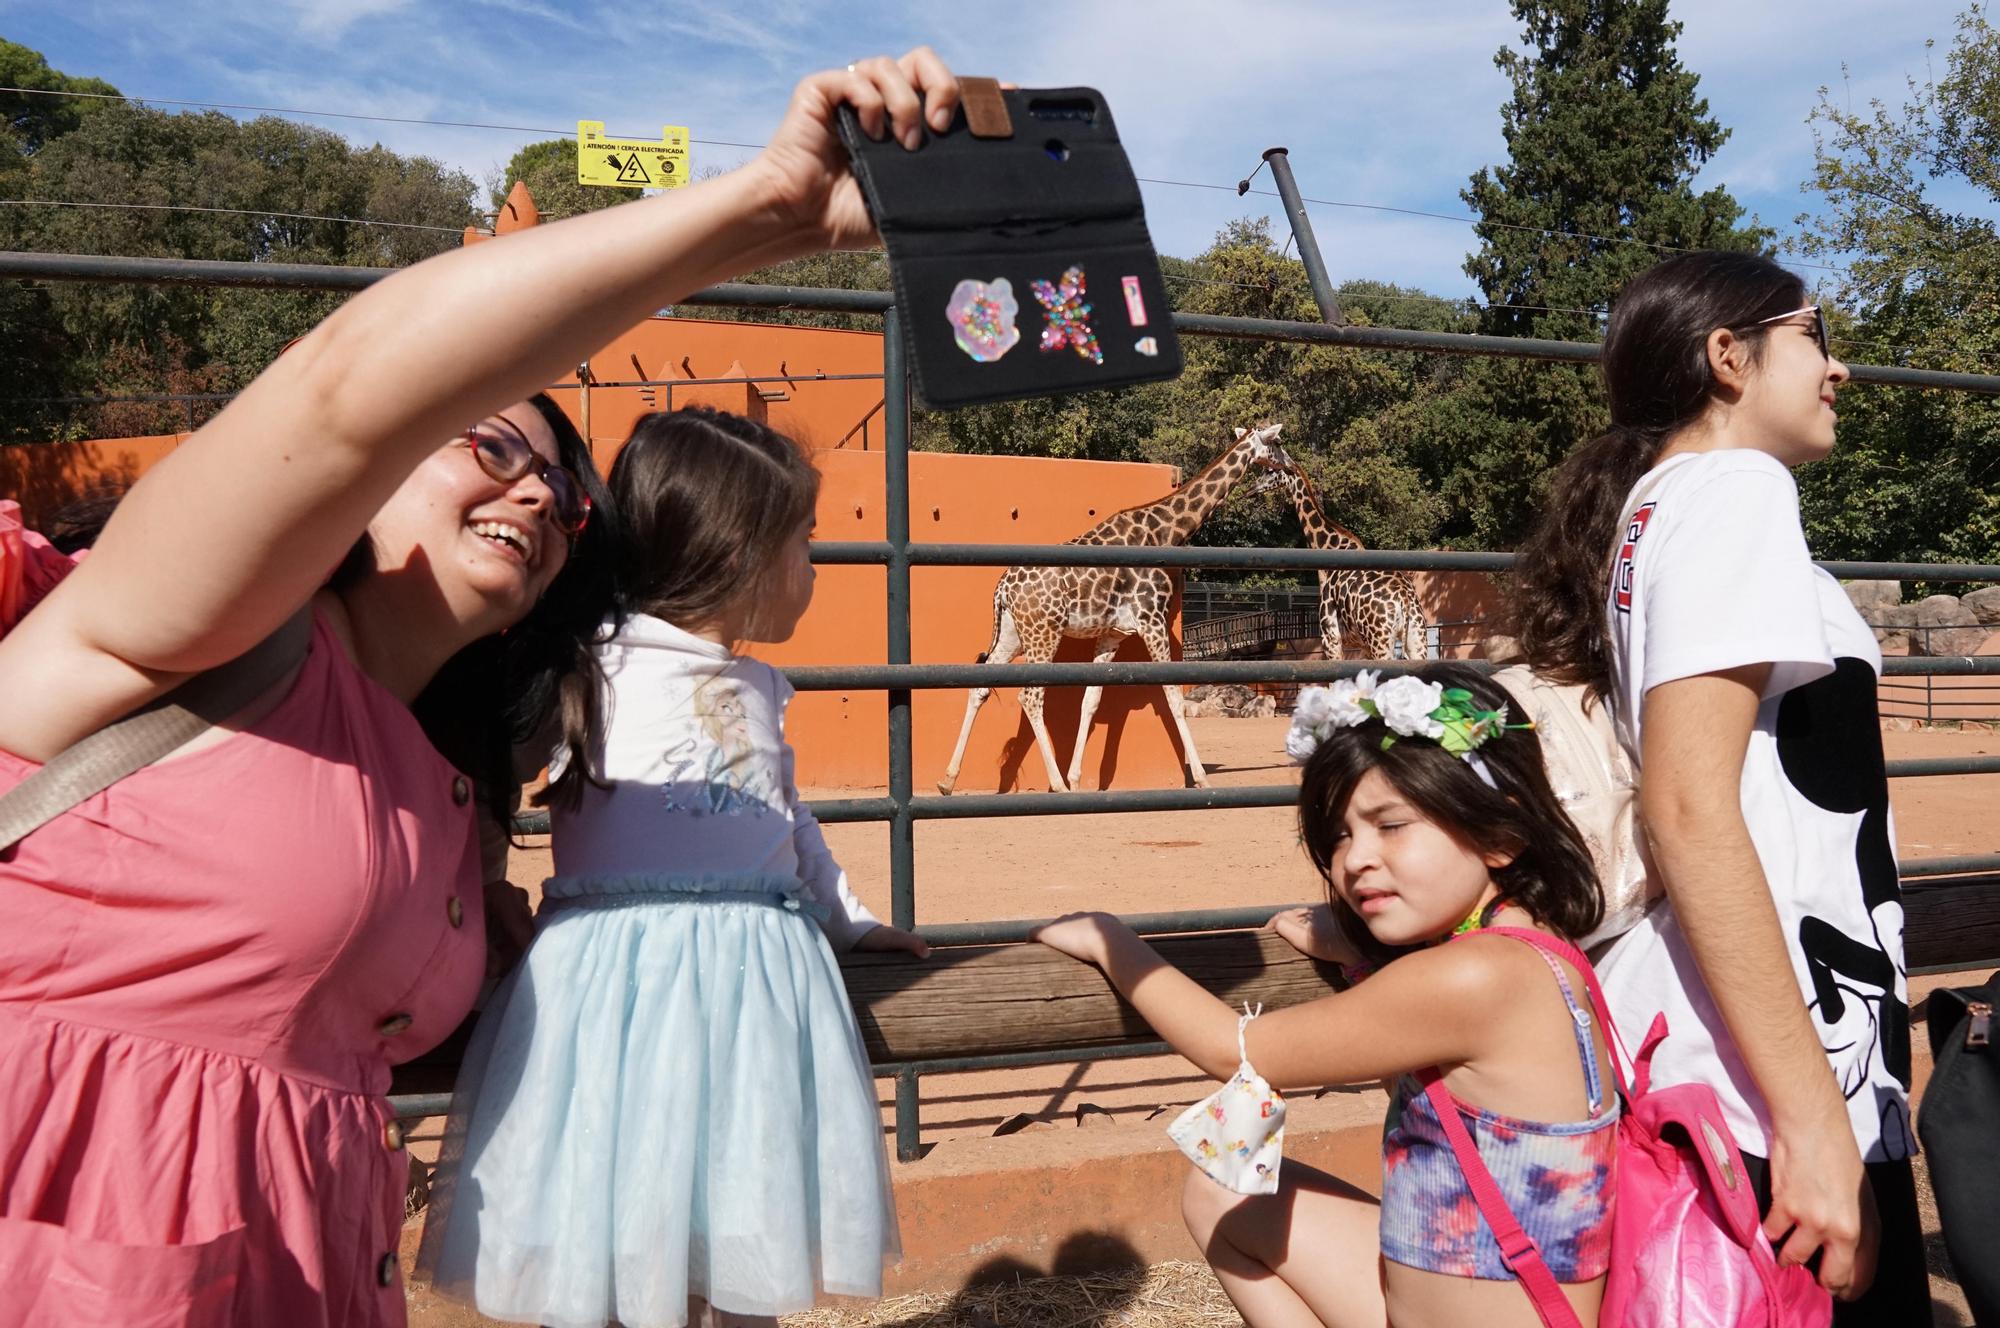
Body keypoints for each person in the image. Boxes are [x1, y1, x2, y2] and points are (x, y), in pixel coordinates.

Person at [0, 49, 964, 1328]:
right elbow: (350, 389)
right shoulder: (180, 633)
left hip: (289, 1261)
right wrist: (768, 208)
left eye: (565, 497)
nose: (533, 494)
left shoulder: (446, 784)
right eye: (488, 442)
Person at [416, 407, 929, 1328]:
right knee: (615, 1228)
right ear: (742, 555)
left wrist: (850, 918)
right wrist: (486, 882)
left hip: (752, 997)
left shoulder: (762, 686)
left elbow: (786, 817)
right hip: (617, 992)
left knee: (740, 1222)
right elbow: (483, 774)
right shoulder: (588, 669)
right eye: (803, 542)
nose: (812, 566)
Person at [1509, 249, 1924, 1322]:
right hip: (1772, 1087)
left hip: (1738, 1065)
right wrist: (1814, 1123)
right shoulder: (1735, 487)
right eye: (1814, 335)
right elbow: (1689, 807)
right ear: (1726, 358)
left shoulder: (1657, 507)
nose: (1838, 369)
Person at [1035, 665, 1616, 1328]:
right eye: (1339, 835)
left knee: (1224, 1195)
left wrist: (1114, 942)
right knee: (1221, 1195)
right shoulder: (1534, 946)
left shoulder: (1473, 979)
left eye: (1390, 824)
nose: (1355, 859)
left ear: (1499, 835)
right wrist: (1367, 955)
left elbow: (1235, 1050)